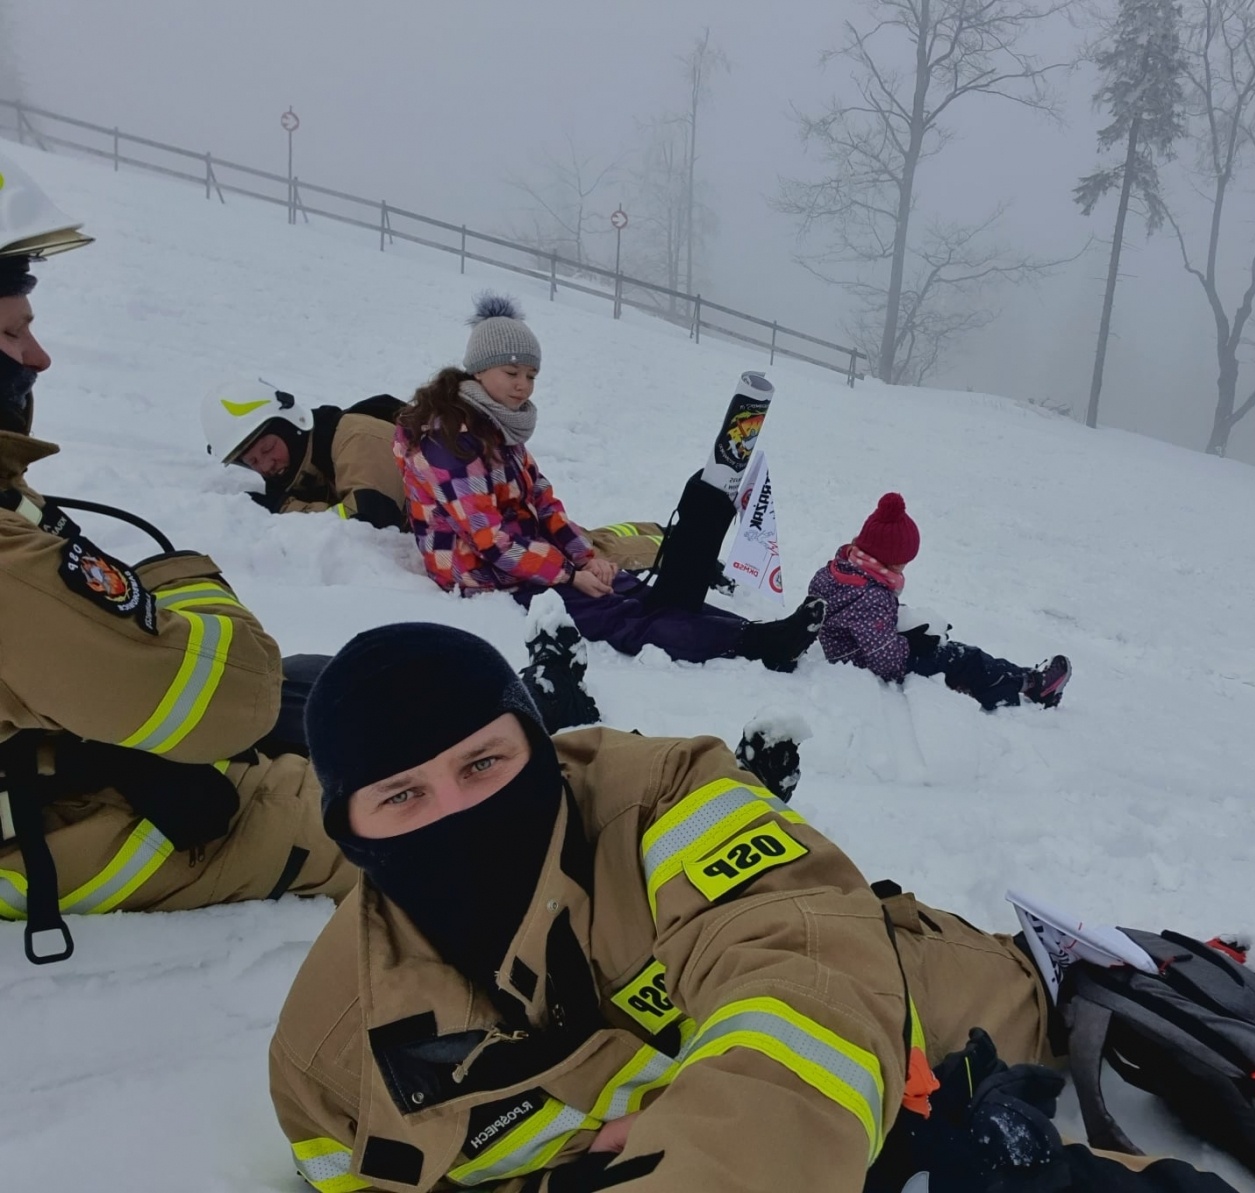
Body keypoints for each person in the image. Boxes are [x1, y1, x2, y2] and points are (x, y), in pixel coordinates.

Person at [270, 623, 1236, 1193]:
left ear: (539, 749)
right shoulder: (328, 1059)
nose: (459, 812)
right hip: (783, 1153)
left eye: (484, 763)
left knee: (1032, 1018)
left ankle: (1155, 973)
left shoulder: (663, 796)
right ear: (352, 831)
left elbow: (805, 985)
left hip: (907, 1013)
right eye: (404, 795)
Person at [0, 152, 352, 965]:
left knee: (335, 686)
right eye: (12, 332)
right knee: (401, 801)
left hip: (65, 760)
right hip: (53, 825)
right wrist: (181, 581)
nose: (38, 357)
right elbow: (235, 696)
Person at [393, 294, 823, 672]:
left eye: (532, 375)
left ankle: (758, 632)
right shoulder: (447, 441)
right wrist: (568, 574)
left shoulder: (498, 428)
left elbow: (543, 502)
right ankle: (753, 645)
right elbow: (490, 541)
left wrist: (586, 557)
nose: (524, 386)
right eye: (513, 373)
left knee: (631, 589)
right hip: (481, 573)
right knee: (620, 616)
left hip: (527, 556)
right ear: (480, 370)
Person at [809, 494, 1072, 711]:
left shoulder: (837, 572)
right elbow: (887, 662)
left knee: (945, 649)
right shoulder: (871, 596)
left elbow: (852, 616)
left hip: (849, 649)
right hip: (860, 663)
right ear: (889, 559)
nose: (905, 568)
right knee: (961, 657)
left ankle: (1000, 679)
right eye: (903, 562)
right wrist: (912, 644)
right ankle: (1032, 685)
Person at [200, 381, 409, 529]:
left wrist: (286, 509)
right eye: (252, 461)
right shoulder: (300, 472)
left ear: (290, 427)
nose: (265, 465)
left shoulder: (357, 439)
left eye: (268, 448)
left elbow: (371, 523)